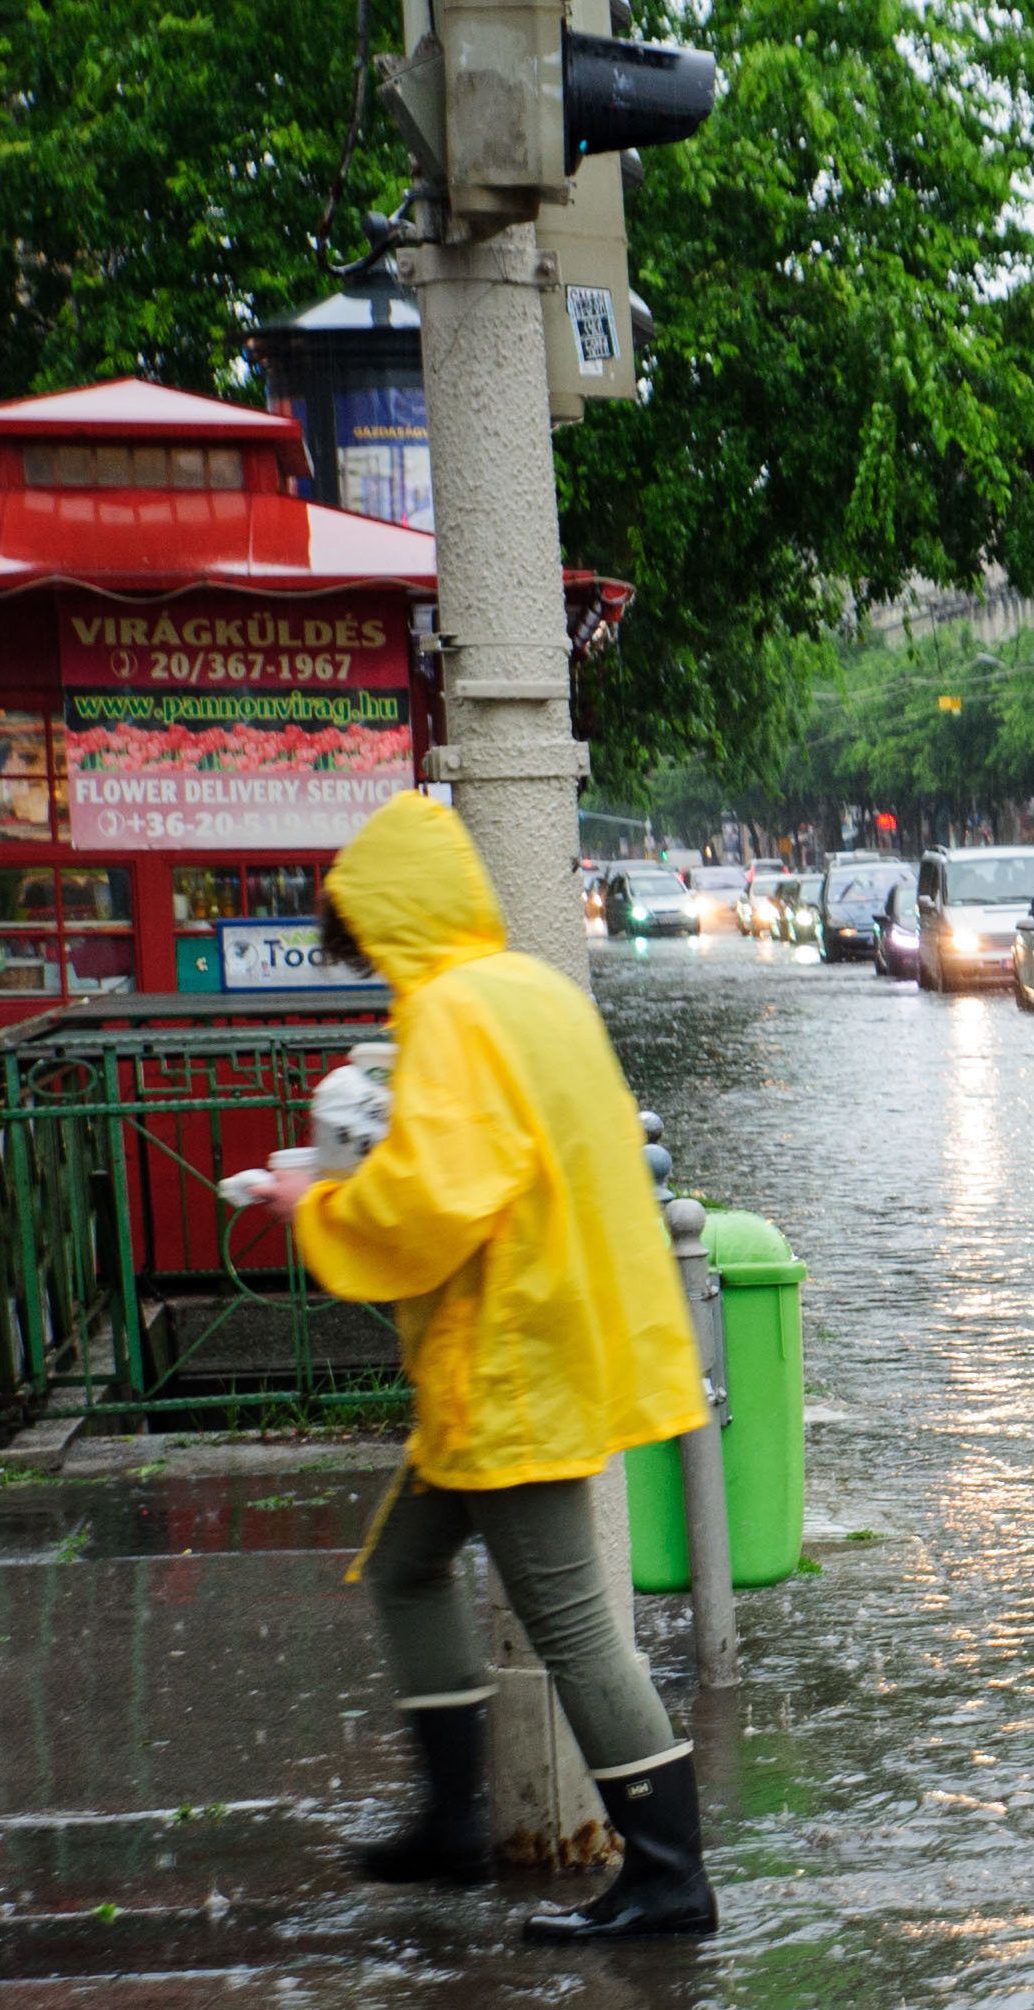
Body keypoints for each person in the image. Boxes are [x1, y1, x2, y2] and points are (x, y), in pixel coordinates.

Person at [258, 794, 721, 1942]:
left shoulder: (453, 1012)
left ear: (393, 921)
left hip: (507, 1366)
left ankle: (669, 1882)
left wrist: (312, 1205)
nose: (363, 964)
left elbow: (430, 1202)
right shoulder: (528, 989)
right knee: (406, 1567)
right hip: (531, 1346)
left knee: (571, 1629)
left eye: (364, 940)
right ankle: (454, 1828)